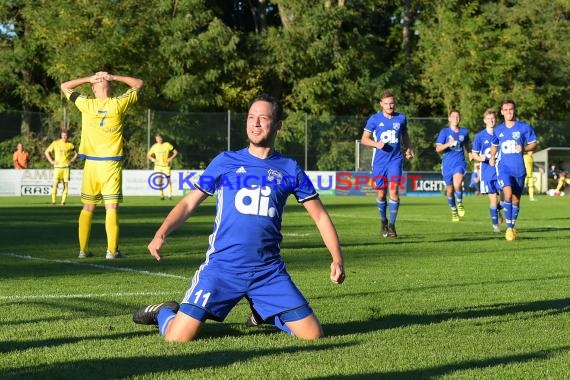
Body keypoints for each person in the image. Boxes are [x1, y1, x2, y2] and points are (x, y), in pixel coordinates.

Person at [132, 94, 345, 342]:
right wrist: (161, 234)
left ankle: (265, 312)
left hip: (268, 271)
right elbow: (190, 202)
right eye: (251, 118)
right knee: (177, 338)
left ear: (277, 126)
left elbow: (320, 216)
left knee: (313, 335)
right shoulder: (225, 161)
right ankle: (164, 312)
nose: (255, 124)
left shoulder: (289, 168)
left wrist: (337, 258)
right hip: (222, 269)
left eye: (263, 118)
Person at [61, 71, 144, 259]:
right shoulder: (118, 103)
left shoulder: (86, 104)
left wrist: (88, 78)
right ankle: (112, 251)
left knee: (87, 208)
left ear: (92, 88)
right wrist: (114, 77)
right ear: (111, 88)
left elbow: (64, 86)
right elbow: (138, 83)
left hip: (91, 164)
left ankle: (83, 250)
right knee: (111, 208)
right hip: (111, 164)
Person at [360, 90, 414, 238]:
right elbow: (364, 139)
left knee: (394, 190)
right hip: (379, 162)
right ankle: (383, 221)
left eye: (391, 103)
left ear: (394, 103)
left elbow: (405, 134)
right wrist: (376, 144)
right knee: (381, 193)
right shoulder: (374, 119)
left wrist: (408, 148)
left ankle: (392, 225)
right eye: (386, 104)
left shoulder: (401, 118)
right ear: (381, 104)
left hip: (395, 160)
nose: (389, 106)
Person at [489, 100, 537, 241]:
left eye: (511, 109)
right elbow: (494, 144)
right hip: (504, 168)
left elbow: (533, 144)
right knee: (507, 194)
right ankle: (509, 229)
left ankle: (512, 225)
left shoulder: (523, 127)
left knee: (516, 200)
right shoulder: (498, 129)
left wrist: (524, 148)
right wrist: (492, 156)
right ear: (502, 112)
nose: (508, 111)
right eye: (506, 109)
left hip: (519, 170)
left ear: (514, 110)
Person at [472, 109, 504, 233]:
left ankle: (497, 210)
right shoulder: (479, 136)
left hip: (502, 170)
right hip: (487, 172)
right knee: (493, 199)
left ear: (496, 119)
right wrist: (481, 158)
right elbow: (474, 154)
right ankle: (495, 226)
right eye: (489, 118)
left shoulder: (501, 133)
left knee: (505, 199)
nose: (491, 120)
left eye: (493, 118)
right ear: (485, 120)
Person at [435, 110, 471, 222]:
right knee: (450, 191)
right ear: (449, 118)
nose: (456, 118)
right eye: (453, 116)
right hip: (447, 165)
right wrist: (448, 144)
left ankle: (459, 203)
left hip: (459, 163)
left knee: (457, 183)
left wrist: (471, 154)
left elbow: (468, 145)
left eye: (458, 116)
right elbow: (438, 149)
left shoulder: (464, 132)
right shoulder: (444, 132)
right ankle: (454, 211)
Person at [44, 129, 78, 206]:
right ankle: (53, 201)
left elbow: (77, 153)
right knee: (55, 184)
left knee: (65, 185)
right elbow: (46, 152)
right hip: (57, 168)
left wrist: (71, 160)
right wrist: (52, 161)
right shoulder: (55, 143)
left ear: (67, 136)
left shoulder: (70, 145)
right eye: (63, 135)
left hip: (66, 168)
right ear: (61, 135)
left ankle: (63, 202)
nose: (64, 137)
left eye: (66, 135)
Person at [147, 133, 178, 200]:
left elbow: (175, 152)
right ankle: (161, 195)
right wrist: (153, 159)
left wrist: (170, 158)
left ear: (162, 138)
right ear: (156, 139)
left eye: (160, 138)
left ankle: (169, 195)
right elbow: (148, 155)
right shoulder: (154, 146)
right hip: (157, 166)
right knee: (159, 181)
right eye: (157, 138)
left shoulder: (167, 145)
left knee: (168, 179)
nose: (159, 139)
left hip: (166, 166)